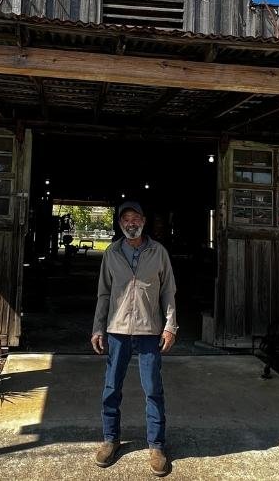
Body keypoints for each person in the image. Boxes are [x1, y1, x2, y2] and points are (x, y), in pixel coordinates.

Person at [91, 201, 178, 477]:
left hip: (149, 330)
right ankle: (110, 439)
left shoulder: (159, 252)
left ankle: (157, 446)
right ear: (120, 224)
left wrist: (170, 326)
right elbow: (103, 293)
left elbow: (168, 292)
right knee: (111, 388)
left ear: (143, 220)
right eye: (125, 219)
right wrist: (97, 328)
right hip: (117, 330)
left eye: (135, 218)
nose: (131, 223)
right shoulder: (111, 253)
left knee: (153, 389)